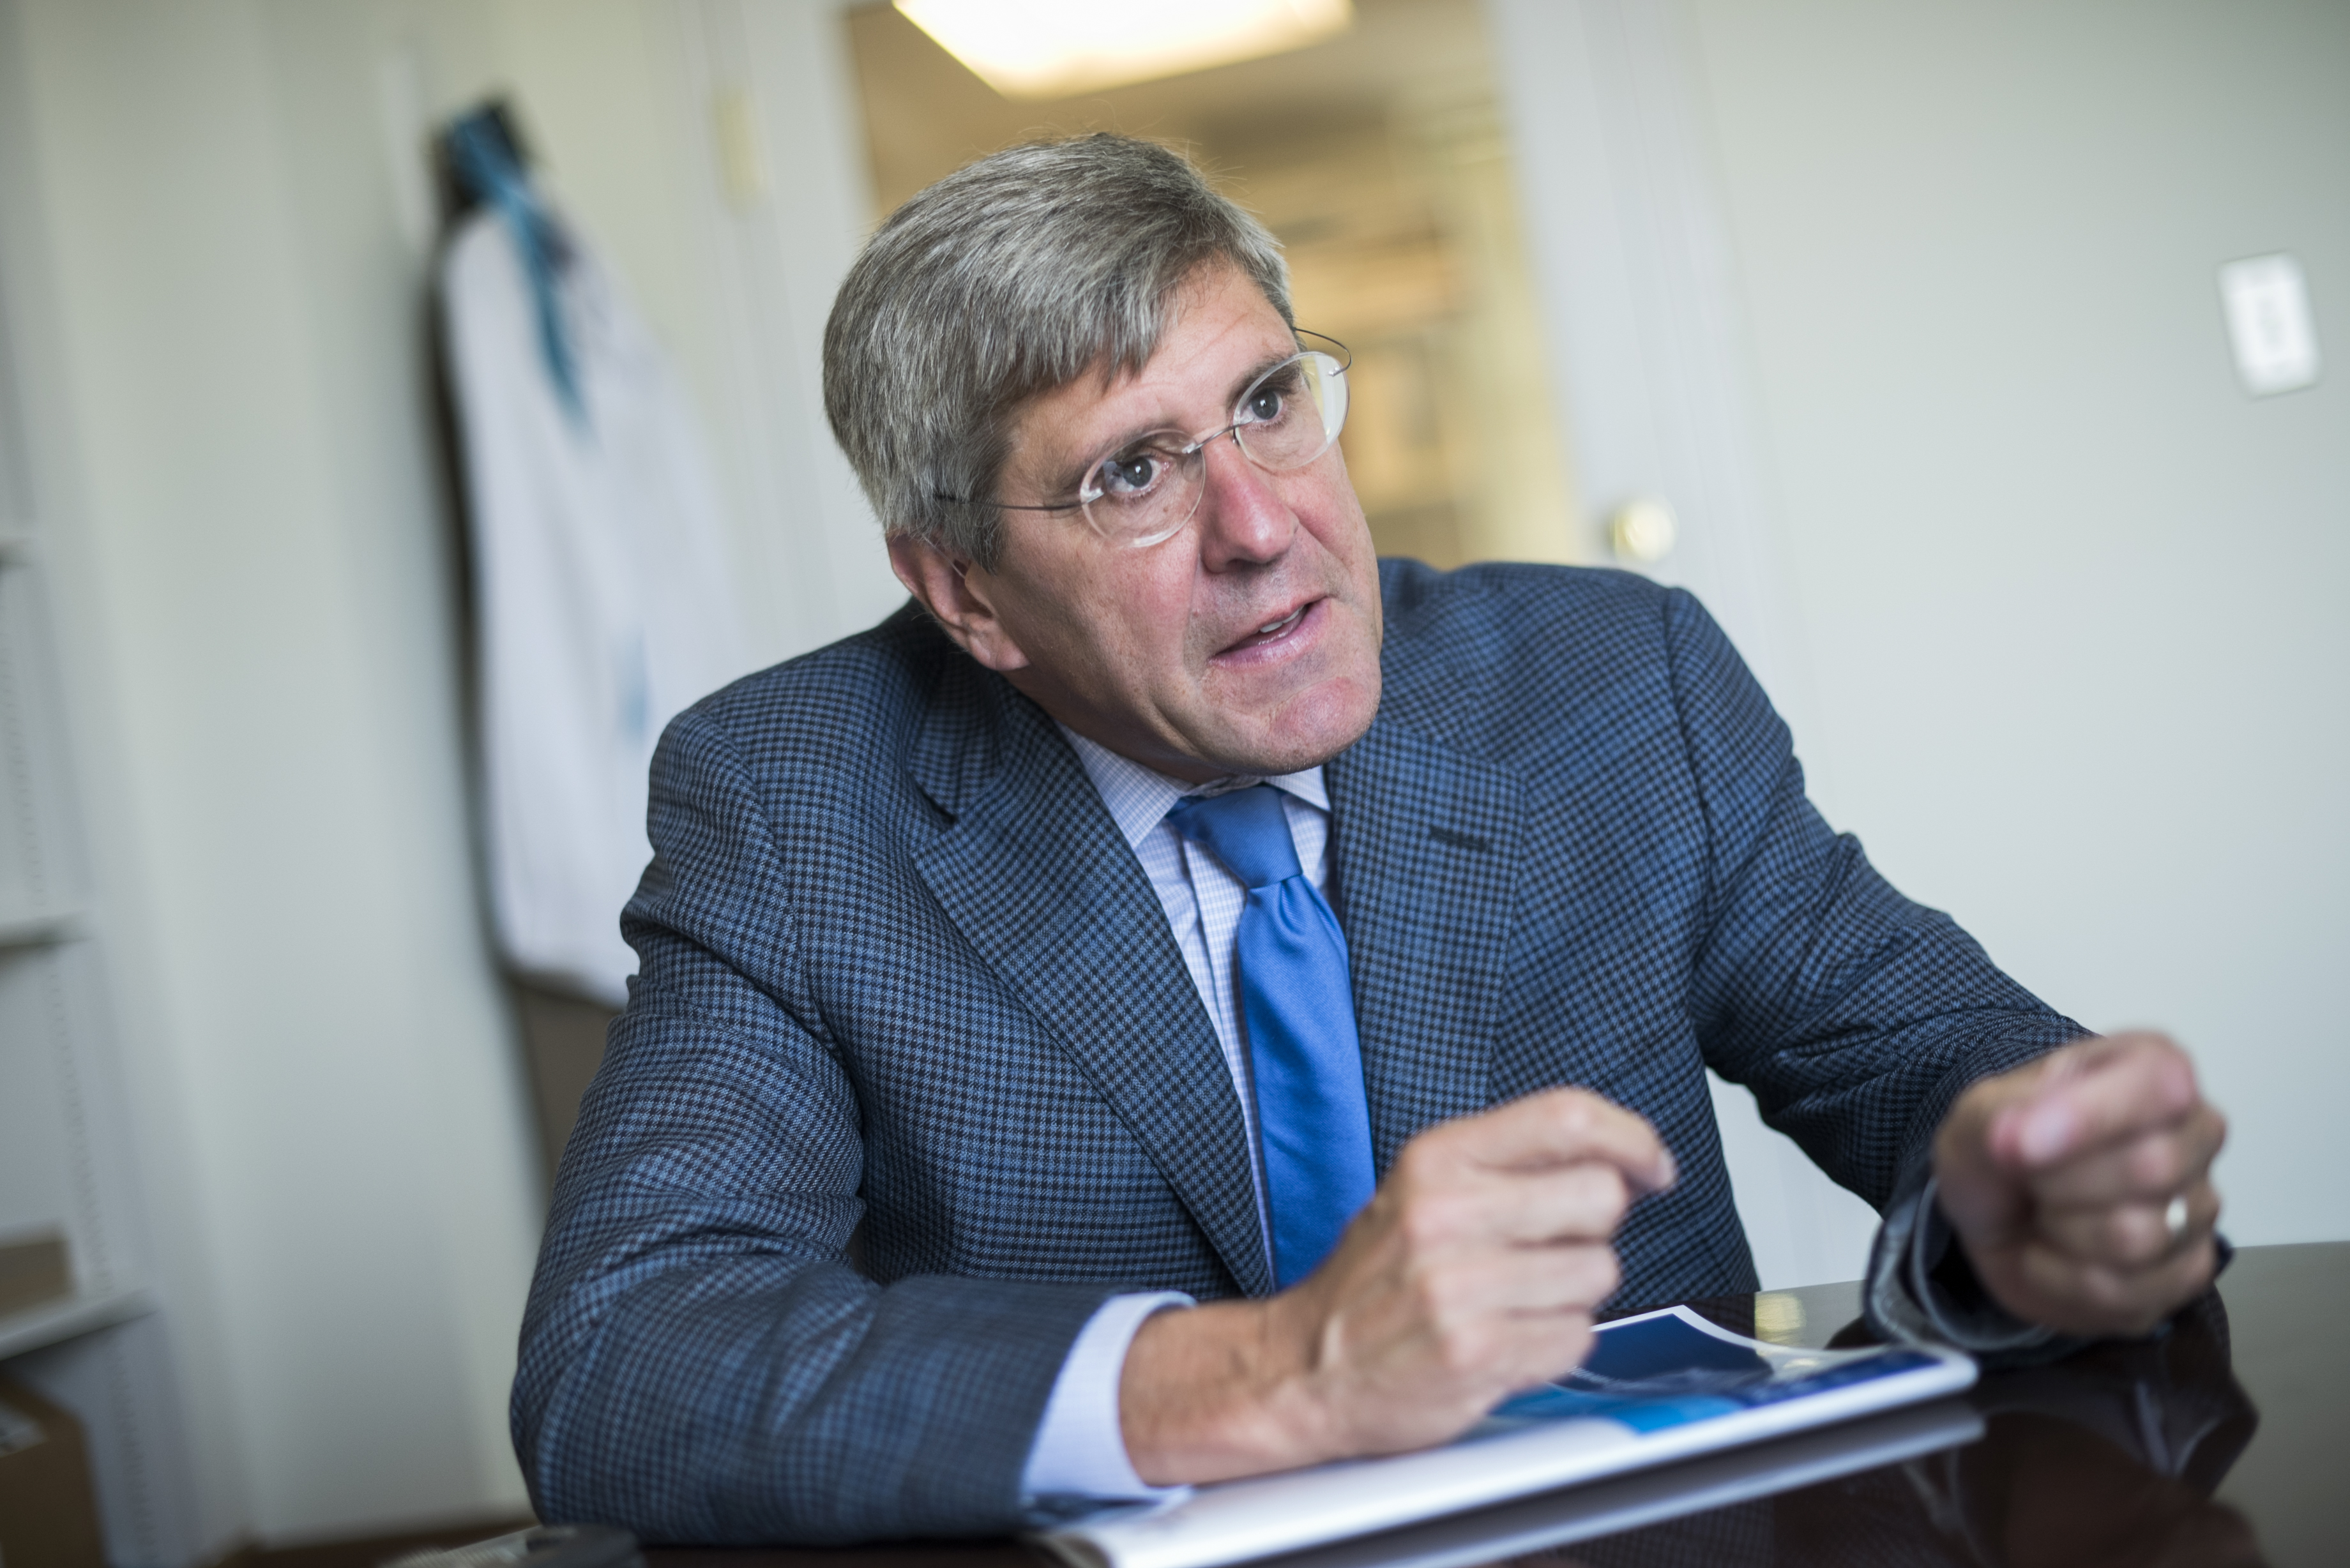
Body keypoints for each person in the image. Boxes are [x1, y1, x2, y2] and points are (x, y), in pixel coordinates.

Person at [511, 135, 2226, 1544]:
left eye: (1268, 400)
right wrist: (1275, 1374)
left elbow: (1927, 1048)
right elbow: (624, 1362)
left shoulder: (1611, 685)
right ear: (968, 594)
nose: (1263, 527)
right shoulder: (797, 802)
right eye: (1131, 476)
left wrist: (2032, 1182)